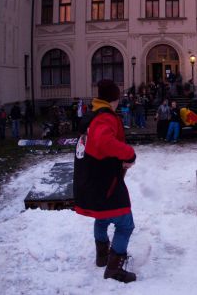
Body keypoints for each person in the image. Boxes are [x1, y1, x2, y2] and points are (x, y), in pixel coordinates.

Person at [73, 79, 137, 283]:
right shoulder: (105, 118)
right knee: (125, 224)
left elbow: (97, 147)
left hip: (94, 178)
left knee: (102, 217)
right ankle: (113, 268)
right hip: (105, 180)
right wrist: (128, 154)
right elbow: (103, 142)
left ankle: (102, 256)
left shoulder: (93, 114)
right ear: (114, 99)